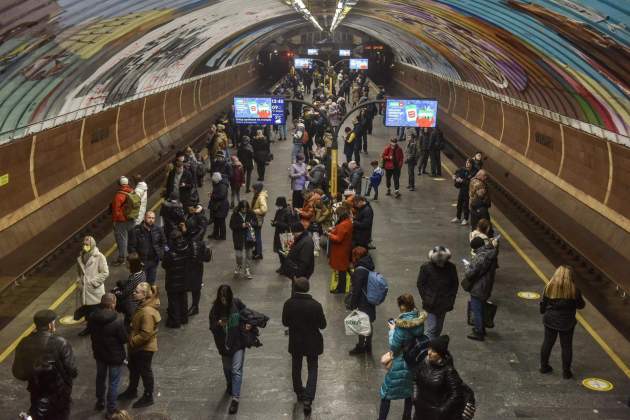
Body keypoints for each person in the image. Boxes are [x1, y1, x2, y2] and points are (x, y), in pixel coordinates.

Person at [12, 310, 78, 420]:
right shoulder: (60, 343)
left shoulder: (24, 342)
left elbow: (18, 373)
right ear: (50, 325)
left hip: (36, 391)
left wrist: (35, 371)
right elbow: (72, 370)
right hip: (59, 392)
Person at [282, 277, 327, 416]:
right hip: (312, 341)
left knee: (296, 366)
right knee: (313, 368)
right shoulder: (316, 305)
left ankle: (299, 392)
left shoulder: (288, 303)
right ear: (308, 288)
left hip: (296, 341)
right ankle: (308, 398)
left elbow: (285, 322)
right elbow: (323, 325)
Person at [379, 294, 426, 420]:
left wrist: (392, 330)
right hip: (413, 361)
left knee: (387, 391)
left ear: (403, 306)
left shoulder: (401, 326)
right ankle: (406, 417)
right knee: (409, 391)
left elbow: (394, 346)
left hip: (400, 361)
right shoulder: (419, 320)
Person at [209, 285, 253, 415]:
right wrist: (218, 324)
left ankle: (235, 398)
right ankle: (230, 384)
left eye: (225, 297)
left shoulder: (236, 303)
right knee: (227, 369)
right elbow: (211, 327)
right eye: (221, 297)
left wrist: (248, 323)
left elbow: (247, 313)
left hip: (238, 343)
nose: (223, 300)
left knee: (236, 370)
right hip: (224, 345)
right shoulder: (215, 310)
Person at [118, 282, 160, 408]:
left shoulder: (147, 312)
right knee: (134, 369)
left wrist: (131, 341)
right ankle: (132, 390)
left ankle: (148, 396)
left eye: (137, 292)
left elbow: (145, 334)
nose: (134, 293)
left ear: (145, 295)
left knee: (145, 371)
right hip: (137, 347)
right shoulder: (142, 306)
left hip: (143, 348)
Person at [539, 265, 586, 379]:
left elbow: (543, 305)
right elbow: (581, 305)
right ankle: (566, 372)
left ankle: (544, 367)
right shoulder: (574, 290)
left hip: (550, 320)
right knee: (566, 346)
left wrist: (544, 310)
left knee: (547, 343)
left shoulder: (549, 287)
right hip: (567, 322)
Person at [414, 335, 474, 420]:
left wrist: (442, 410)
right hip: (420, 411)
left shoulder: (448, 371)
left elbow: (456, 394)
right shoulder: (424, 363)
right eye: (429, 348)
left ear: (440, 354)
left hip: (435, 415)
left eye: (434, 351)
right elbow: (415, 379)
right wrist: (415, 398)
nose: (429, 352)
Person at [87, 293, 127, 417]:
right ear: (113, 304)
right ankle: (111, 409)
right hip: (115, 357)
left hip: (100, 355)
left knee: (100, 378)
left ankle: (100, 401)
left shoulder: (92, 317)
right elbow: (124, 339)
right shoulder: (117, 320)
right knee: (113, 383)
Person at [417, 246, 459, 339]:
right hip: (431, 303)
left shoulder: (451, 268)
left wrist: (450, 299)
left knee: (438, 328)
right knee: (432, 329)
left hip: (443, 303)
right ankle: (429, 350)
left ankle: (433, 348)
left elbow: (454, 285)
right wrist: (426, 298)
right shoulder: (426, 268)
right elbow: (420, 284)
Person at [462, 237, 498, 341]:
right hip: (486, 286)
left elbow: (470, 274)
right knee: (481, 307)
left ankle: (479, 332)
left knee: (476, 309)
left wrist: (468, 266)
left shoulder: (481, 257)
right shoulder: (490, 253)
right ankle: (481, 328)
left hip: (479, 287)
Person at [76, 236, 109, 336]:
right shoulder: (80, 257)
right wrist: (78, 282)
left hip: (94, 290)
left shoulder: (99, 256)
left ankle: (99, 329)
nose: (85, 246)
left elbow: (105, 273)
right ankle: (89, 328)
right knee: (87, 312)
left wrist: (92, 282)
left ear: (92, 244)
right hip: (85, 290)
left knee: (96, 312)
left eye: (87, 244)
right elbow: (79, 273)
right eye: (84, 244)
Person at [348, 247, 376, 355]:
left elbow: (357, 289)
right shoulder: (368, 265)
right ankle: (368, 345)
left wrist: (353, 304)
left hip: (362, 301)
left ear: (357, 256)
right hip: (369, 299)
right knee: (368, 322)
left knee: (362, 323)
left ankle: (361, 347)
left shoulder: (360, 270)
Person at [162, 230, 191, 328]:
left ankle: (175, 321)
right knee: (183, 299)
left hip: (173, 281)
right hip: (185, 279)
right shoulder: (186, 247)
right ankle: (184, 318)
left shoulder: (170, 252)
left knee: (174, 301)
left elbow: (164, 265)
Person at [128, 211, 166, 285]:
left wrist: (161, 253)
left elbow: (164, 242)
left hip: (154, 261)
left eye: (153, 218)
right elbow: (131, 247)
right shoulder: (136, 231)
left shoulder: (158, 229)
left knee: (151, 282)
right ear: (144, 218)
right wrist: (138, 261)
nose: (151, 220)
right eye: (149, 218)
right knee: (141, 284)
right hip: (142, 263)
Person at [114, 253, 146, 328]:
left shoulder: (134, 279)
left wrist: (116, 292)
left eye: (128, 263)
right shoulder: (141, 272)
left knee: (128, 325)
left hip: (131, 306)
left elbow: (124, 293)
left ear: (133, 265)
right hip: (136, 304)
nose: (126, 264)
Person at [326, 207, 353, 294]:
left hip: (340, 250)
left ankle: (341, 289)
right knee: (345, 267)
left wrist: (329, 234)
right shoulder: (348, 221)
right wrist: (333, 231)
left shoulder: (343, 224)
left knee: (342, 270)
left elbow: (338, 239)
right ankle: (353, 279)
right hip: (345, 248)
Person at [229, 200, 258, 279]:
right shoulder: (235, 215)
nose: (244, 210)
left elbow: (256, 223)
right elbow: (232, 225)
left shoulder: (251, 213)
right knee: (239, 255)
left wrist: (250, 224)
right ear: (240, 208)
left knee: (249, 255)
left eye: (245, 208)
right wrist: (241, 225)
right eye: (242, 208)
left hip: (249, 237)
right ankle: (239, 266)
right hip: (238, 238)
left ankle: (247, 269)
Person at [111, 176, 136, 266]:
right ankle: (134, 257)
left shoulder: (118, 195)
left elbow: (116, 211)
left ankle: (122, 258)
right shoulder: (132, 191)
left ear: (120, 184)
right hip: (132, 218)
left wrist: (114, 221)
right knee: (132, 238)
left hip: (121, 221)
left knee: (122, 240)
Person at [271, 197, 296, 271]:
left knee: (285, 252)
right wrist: (274, 223)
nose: (277, 206)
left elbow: (289, 225)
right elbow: (276, 220)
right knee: (280, 251)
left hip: (285, 235)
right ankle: (282, 266)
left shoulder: (287, 212)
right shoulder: (278, 211)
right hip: (278, 234)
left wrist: (277, 223)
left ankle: (286, 267)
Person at [209, 172, 230, 240]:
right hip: (218, 206)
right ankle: (215, 234)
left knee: (221, 222)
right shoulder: (219, 184)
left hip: (221, 206)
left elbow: (221, 196)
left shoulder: (222, 186)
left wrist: (212, 195)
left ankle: (222, 236)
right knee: (216, 221)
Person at [452, 159, 473, 225]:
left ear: (471, 164)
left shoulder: (473, 172)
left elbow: (471, 182)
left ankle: (465, 219)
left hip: (468, 191)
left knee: (466, 205)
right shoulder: (463, 169)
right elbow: (456, 172)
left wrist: (462, 181)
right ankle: (458, 217)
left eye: (469, 163)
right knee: (459, 204)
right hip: (462, 189)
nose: (467, 164)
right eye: (466, 162)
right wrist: (455, 176)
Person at [251, 182, 268, 259]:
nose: (252, 190)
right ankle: (257, 250)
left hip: (257, 219)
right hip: (256, 218)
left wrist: (254, 211)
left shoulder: (261, 197)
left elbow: (264, 209)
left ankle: (259, 253)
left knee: (257, 236)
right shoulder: (257, 195)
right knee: (255, 235)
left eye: (253, 189)